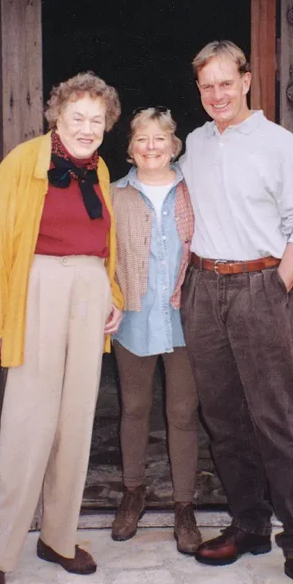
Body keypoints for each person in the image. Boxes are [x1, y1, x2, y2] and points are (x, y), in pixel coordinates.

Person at [179, 40, 293, 584]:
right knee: (222, 417)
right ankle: (250, 527)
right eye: (207, 86)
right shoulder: (194, 145)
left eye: (226, 82)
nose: (217, 94)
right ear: (198, 91)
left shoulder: (278, 144)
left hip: (259, 287)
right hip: (203, 288)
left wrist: (275, 288)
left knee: (277, 421)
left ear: (247, 81)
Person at [0, 71, 124, 584]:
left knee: (77, 419)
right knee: (27, 422)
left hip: (88, 290)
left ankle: (59, 538)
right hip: (36, 288)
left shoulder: (101, 169)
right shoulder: (23, 161)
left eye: (97, 120)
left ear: (107, 126)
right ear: (56, 118)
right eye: (77, 118)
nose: (87, 128)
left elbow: (109, 241)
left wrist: (114, 298)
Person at [110, 108, 201, 554]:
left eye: (159, 138)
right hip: (133, 318)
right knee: (134, 407)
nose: (151, 146)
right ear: (130, 148)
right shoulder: (115, 195)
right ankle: (133, 492)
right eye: (142, 139)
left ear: (174, 145)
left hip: (186, 320)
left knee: (183, 413)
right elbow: (102, 256)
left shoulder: (195, 189)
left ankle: (184, 506)